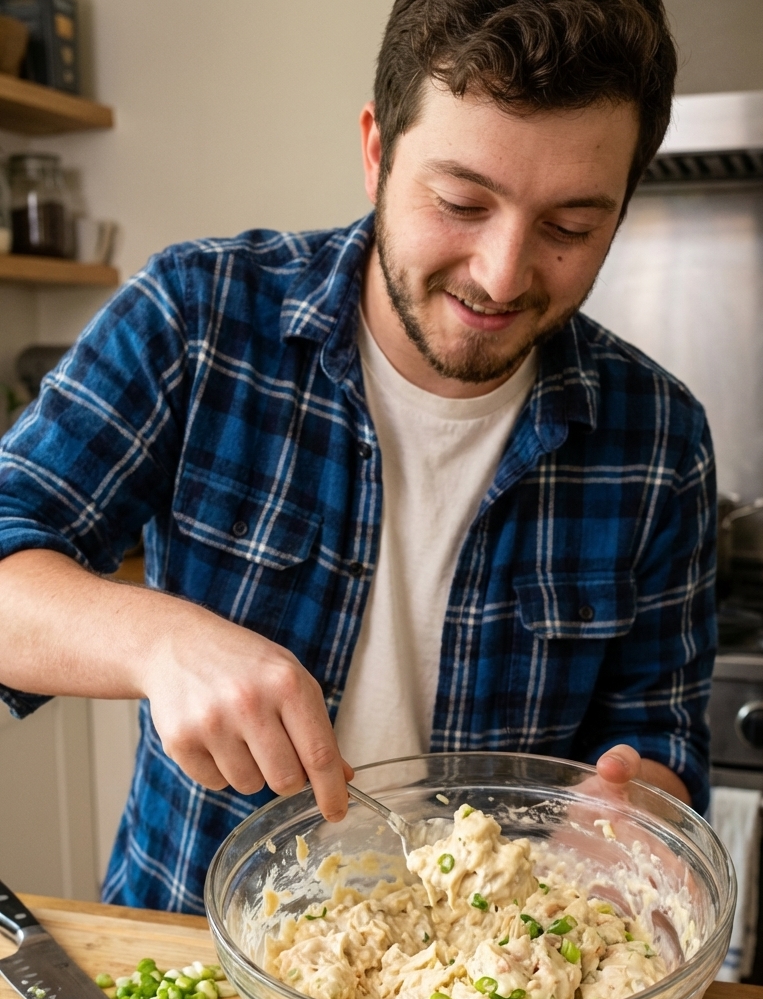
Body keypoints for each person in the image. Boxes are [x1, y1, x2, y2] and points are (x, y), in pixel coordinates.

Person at [0, 0, 716, 912]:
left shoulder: (660, 437)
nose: (501, 274)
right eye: (461, 203)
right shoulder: (199, 316)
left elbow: (659, 737)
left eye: (570, 227)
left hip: (486, 992)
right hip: (197, 960)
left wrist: (632, 812)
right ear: (377, 151)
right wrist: (158, 641)